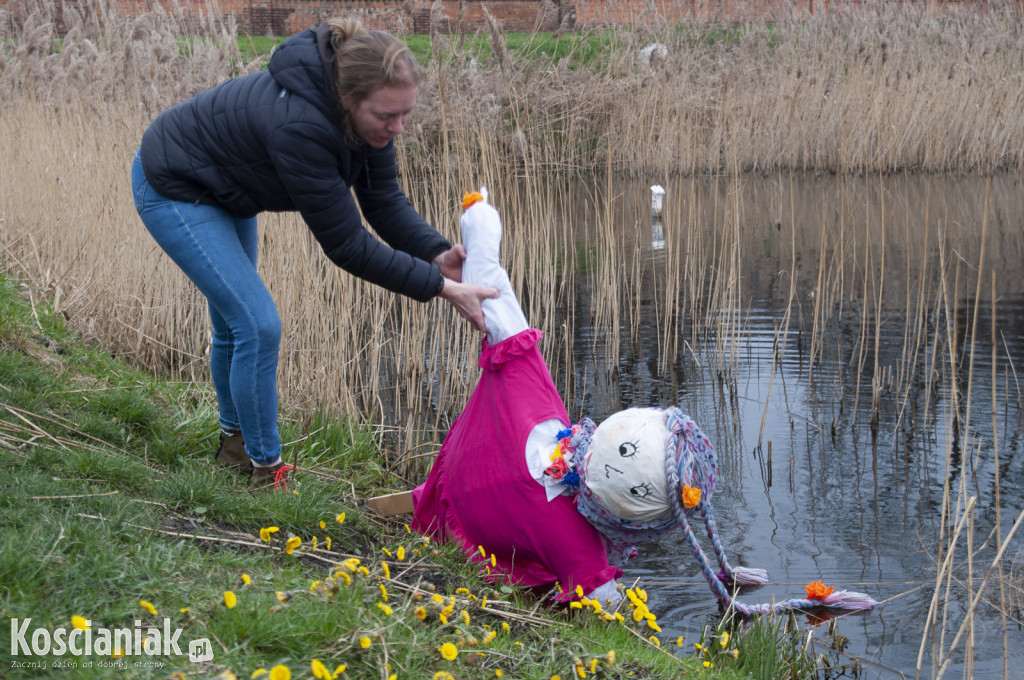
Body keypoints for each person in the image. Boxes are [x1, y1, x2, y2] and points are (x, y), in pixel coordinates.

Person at [409, 189, 878, 616]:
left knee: (504, 318)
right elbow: (609, 605)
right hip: (470, 526)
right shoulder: (580, 547)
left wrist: (479, 219)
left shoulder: (527, 390)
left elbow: (491, 290)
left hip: (458, 475)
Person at [131, 18, 498, 491]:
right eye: (388, 116)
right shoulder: (300, 125)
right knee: (257, 324)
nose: (398, 126)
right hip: (177, 186)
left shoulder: (368, 123)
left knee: (234, 323)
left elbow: (383, 202)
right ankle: (267, 471)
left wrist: (435, 253)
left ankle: (232, 448)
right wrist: (442, 288)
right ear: (349, 100)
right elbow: (347, 246)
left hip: (226, 187)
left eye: (405, 113)